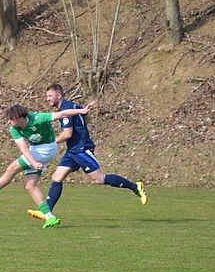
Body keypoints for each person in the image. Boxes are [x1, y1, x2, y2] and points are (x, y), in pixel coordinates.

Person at [0, 101, 96, 228]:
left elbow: (62, 114)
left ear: (20, 118)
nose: (9, 122)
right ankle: (50, 217)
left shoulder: (38, 118)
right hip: (35, 151)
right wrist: (33, 162)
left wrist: (82, 111)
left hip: (47, 148)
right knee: (29, 185)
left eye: (11, 119)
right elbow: (23, 148)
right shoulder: (14, 128)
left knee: (12, 168)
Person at [27, 84, 147, 223]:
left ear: (59, 95)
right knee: (57, 177)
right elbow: (86, 118)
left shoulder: (65, 109)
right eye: (47, 96)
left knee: (99, 179)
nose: (47, 99)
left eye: (50, 96)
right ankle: (46, 212)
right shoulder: (72, 106)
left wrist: (50, 143)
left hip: (81, 149)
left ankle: (135, 186)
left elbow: (67, 133)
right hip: (73, 150)